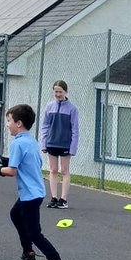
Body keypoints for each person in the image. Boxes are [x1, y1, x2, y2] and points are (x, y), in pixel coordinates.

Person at [0, 103, 71, 260]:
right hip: (35, 191)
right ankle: (28, 251)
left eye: (9, 121)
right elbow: (27, 162)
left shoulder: (17, 144)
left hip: (30, 195)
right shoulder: (30, 141)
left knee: (34, 233)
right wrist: (3, 160)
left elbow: (12, 171)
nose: (7, 124)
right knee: (16, 214)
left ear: (19, 123)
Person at [40, 80, 79, 210]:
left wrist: (73, 148)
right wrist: (44, 143)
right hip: (52, 143)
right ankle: (54, 198)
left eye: (60, 92)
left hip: (65, 145)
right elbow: (45, 126)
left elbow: (75, 130)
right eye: (56, 91)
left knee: (65, 171)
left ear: (65, 92)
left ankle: (63, 199)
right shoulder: (49, 106)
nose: (58, 94)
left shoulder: (72, 109)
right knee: (53, 170)